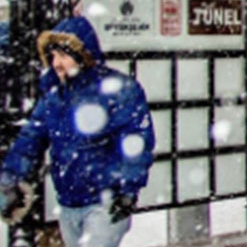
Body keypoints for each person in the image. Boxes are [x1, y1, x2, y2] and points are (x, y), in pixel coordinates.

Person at [0, 16, 155, 247]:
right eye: (52, 56)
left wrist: (128, 189)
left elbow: (136, 140)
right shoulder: (54, 97)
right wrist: (10, 180)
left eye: (63, 56)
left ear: (84, 56)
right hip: (68, 206)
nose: (56, 63)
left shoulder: (118, 91)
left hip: (105, 204)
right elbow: (30, 140)